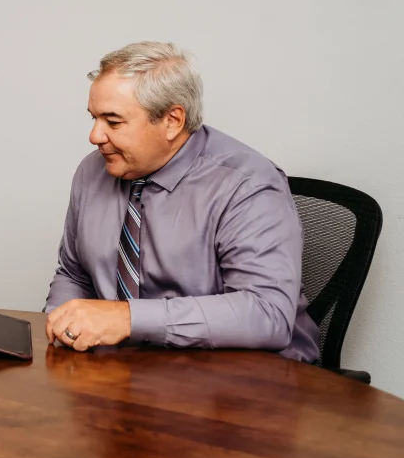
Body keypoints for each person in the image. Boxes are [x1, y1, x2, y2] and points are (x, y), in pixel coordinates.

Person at [44, 41, 320, 362]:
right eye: (93, 118)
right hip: (129, 371)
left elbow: (266, 313)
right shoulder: (93, 171)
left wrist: (129, 319)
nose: (95, 136)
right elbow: (74, 274)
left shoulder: (246, 184)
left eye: (113, 121)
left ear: (173, 120)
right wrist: (64, 326)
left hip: (243, 376)